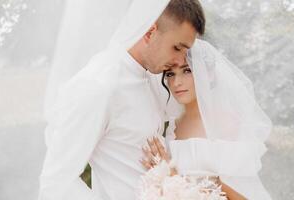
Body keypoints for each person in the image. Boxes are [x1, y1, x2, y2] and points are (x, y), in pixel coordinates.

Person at [38, 1, 205, 200]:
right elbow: (56, 184)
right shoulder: (98, 86)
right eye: (177, 48)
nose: (181, 61)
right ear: (150, 32)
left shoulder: (153, 80)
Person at [141, 39, 272, 200]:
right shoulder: (171, 127)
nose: (177, 82)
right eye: (170, 74)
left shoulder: (227, 123)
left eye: (187, 70)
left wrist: (172, 177)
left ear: (208, 74)